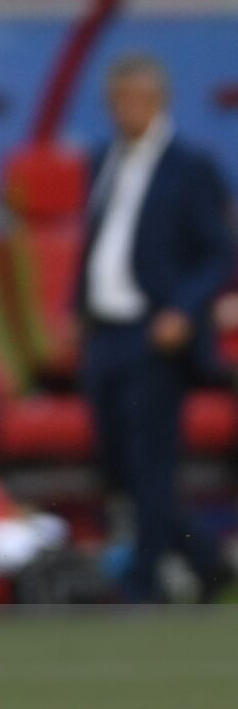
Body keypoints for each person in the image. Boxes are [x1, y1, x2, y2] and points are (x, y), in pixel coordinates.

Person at [77, 54, 234, 602]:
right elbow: (102, 244)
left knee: (151, 463)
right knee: (115, 462)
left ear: (159, 100)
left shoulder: (190, 167)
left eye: (136, 99)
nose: (126, 110)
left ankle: (143, 587)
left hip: (155, 334)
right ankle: (207, 562)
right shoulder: (103, 160)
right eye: (118, 100)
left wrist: (182, 311)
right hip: (105, 332)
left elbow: (218, 254)